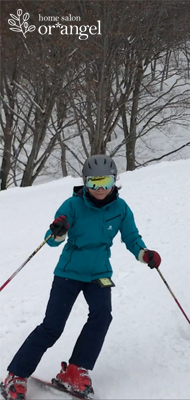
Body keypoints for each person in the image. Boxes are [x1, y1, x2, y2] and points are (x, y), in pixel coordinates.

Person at [2, 155, 161, 400]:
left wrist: (144, 253)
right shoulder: (72, 206)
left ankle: (76, 371)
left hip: (99, 273)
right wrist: (58, 232)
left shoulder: (121, 208)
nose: (100, 188)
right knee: (52, 327)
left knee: (102, 316)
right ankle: (16, 374)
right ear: (85, 182)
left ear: (114, 181)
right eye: (94, 182)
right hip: (69, 273)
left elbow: (131, 237)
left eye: (106, 182)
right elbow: (52, 240)